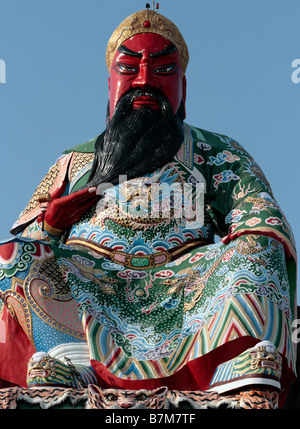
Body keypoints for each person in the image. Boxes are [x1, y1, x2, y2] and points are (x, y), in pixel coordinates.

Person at [0, 8, 297, 407]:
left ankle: (231, 358)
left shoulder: (215, 151)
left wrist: (241, 244)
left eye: (163, 71)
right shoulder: (73, 162)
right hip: (90, 281)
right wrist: (52, 225)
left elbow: (256, 209)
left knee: (260, 247)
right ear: (110, 85)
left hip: (188, 284)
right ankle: (70, 359)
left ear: (183, 89)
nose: (144, 81)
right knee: (11, 255)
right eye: (129, 69)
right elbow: (31, 235)